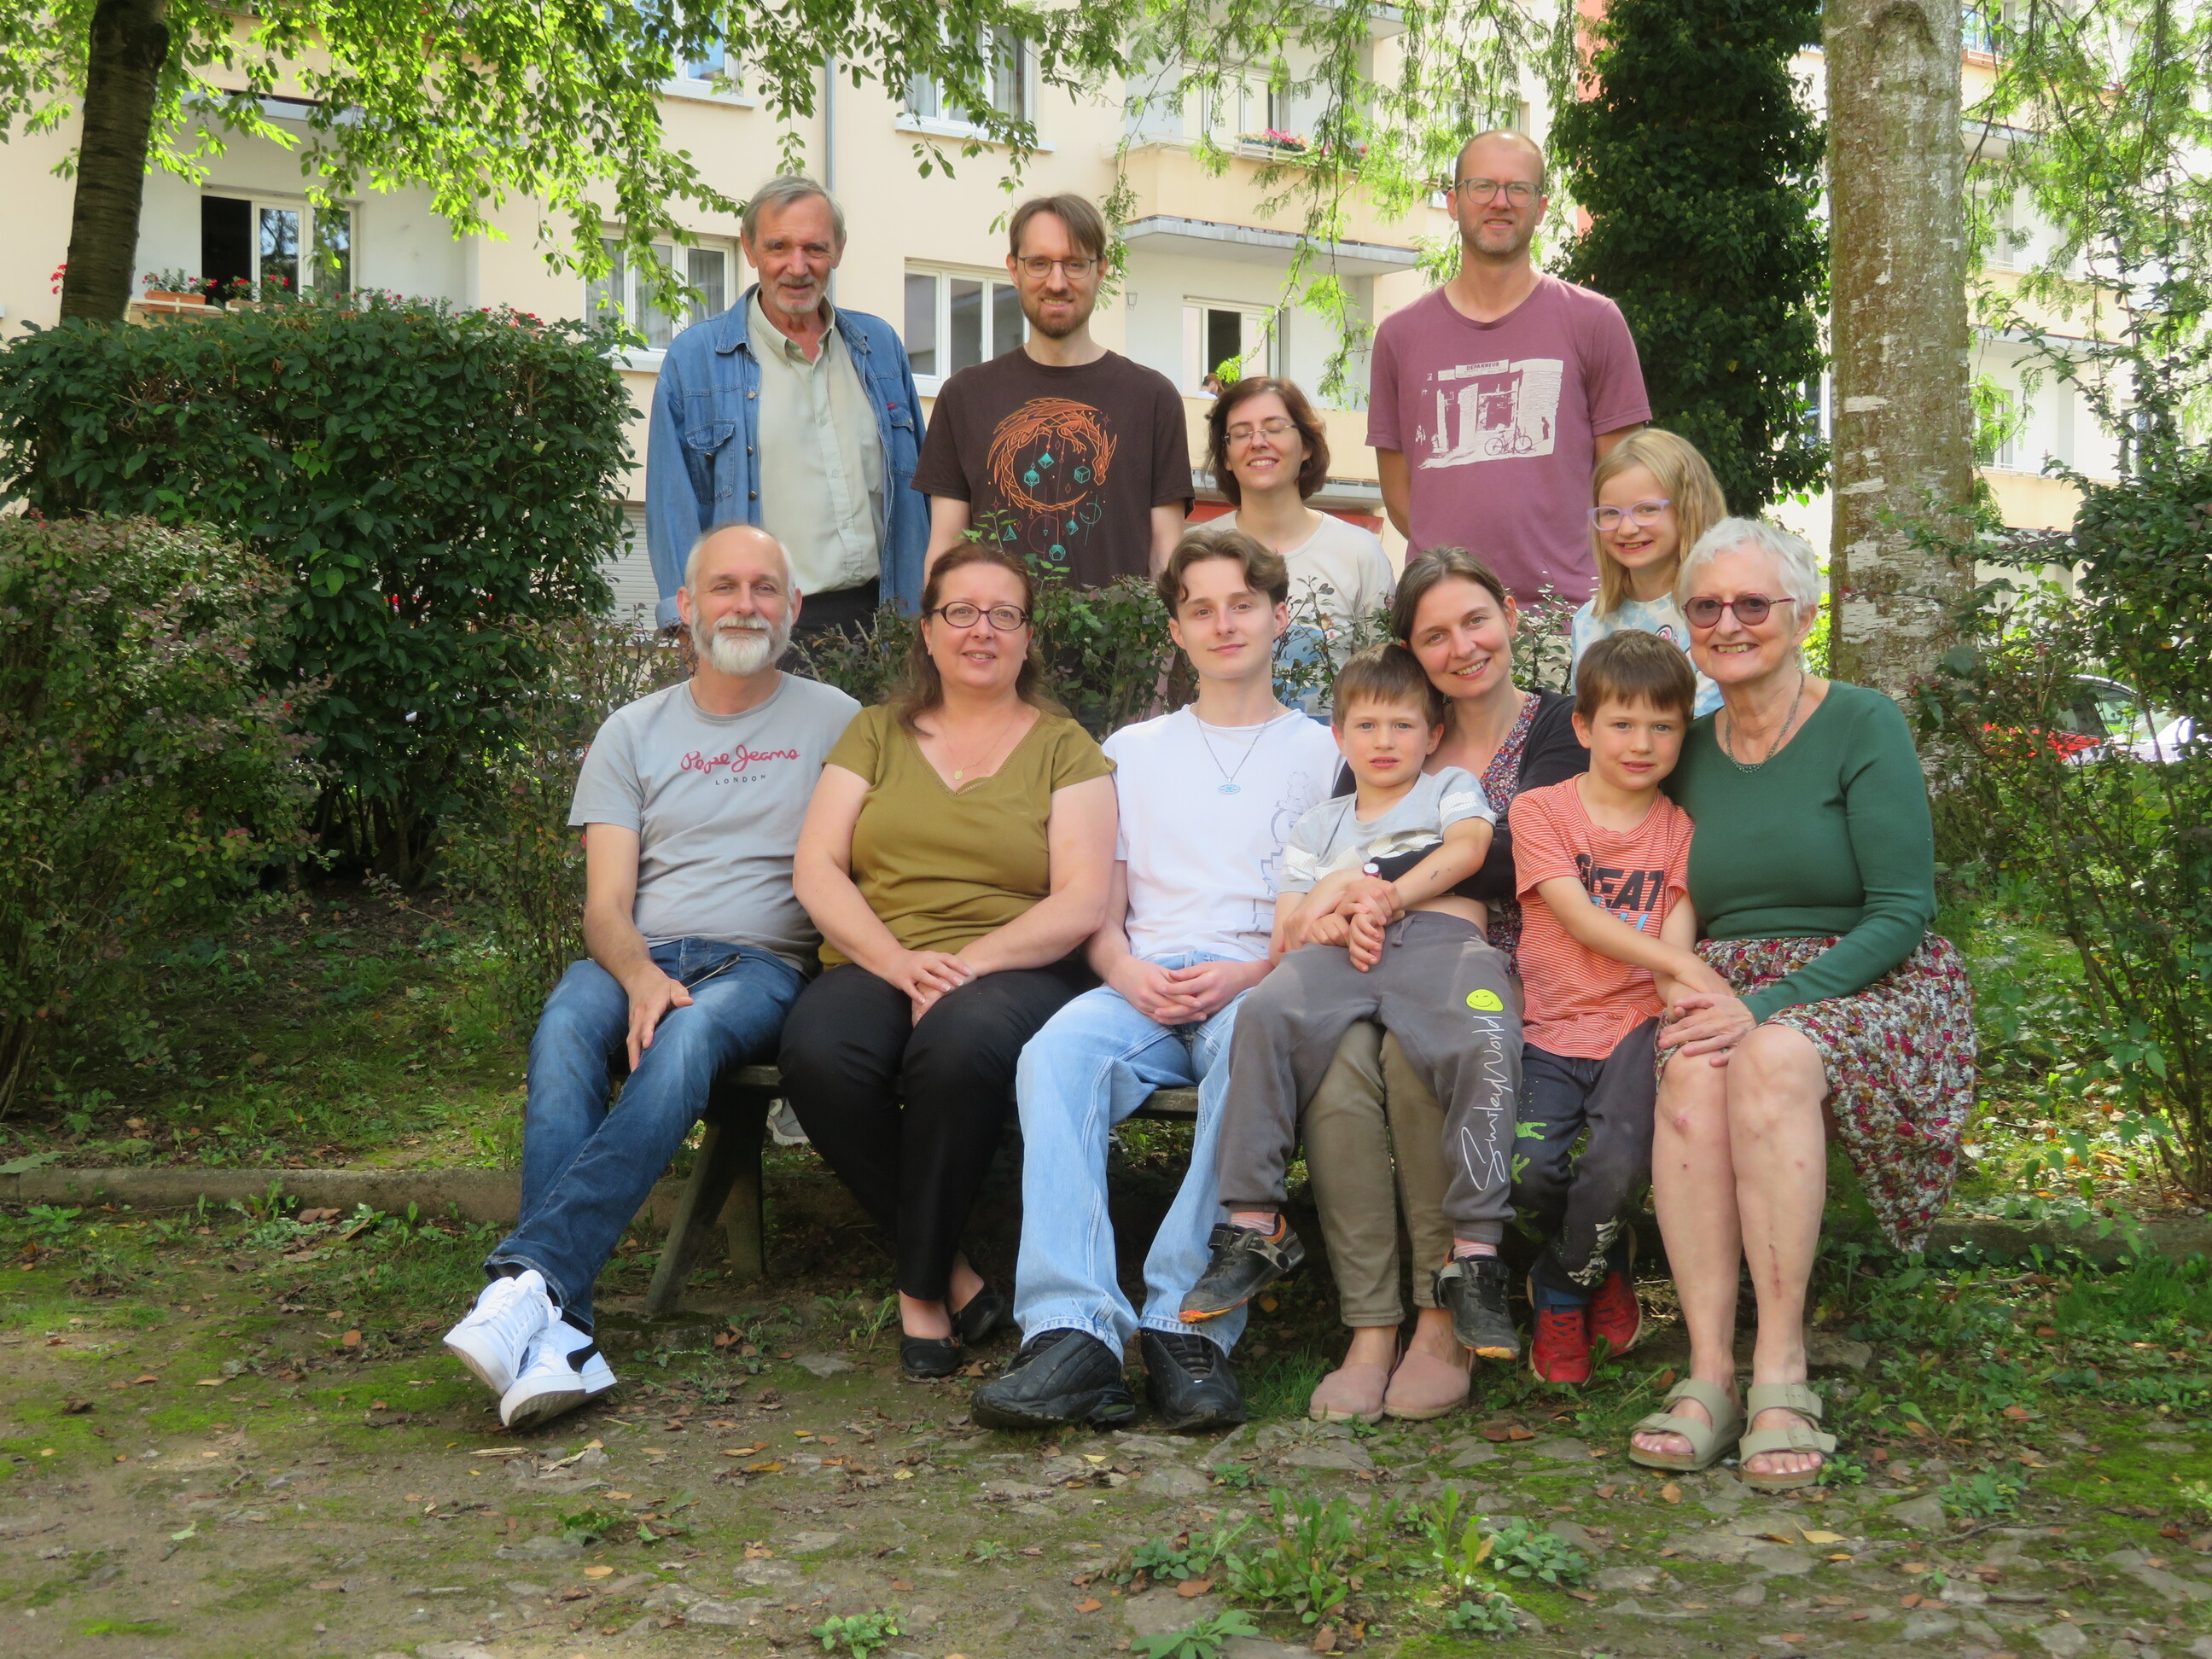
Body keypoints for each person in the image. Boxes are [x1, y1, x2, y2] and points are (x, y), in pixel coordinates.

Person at [445, 526, 859, 1429]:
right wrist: (638, 975)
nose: (743, 604)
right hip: (638, 950)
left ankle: (528, 1285)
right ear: (686, 605)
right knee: (565, 1027)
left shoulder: (839, 721)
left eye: (764, 588)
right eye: (724, 586)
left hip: (759, 965)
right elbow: (604, 907)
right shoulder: (632, 731)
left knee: (692, 1034)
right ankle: (563, 1334)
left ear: (793, 607)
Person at [1625, 519, 1974, 1488]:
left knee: (1772, 1055)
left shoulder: (1862, 723)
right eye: (1707, 607)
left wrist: (1770, 1003)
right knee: (1692, 1070)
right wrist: (1687, 985)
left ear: (1805, 614)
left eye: (1753, 603)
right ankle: (1709, 1373)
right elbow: (1663, 888)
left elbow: (1902, 910)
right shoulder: (1684, 749)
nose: (1728, 623)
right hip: (1724, 977)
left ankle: (1781, 1366)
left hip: (1866, 975)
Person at [970, 532, 1341, 1433]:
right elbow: (1099, 906)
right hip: (1140, 981)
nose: (1224, 624)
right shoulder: (1131, 750)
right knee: (1054, 1055)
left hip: (1263, 981)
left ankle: (1188, 1324)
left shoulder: (1328, 751)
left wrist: (1255, 970)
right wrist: (1125, 972)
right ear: (1176, 630)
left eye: (1242, 605)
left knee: (1251, 1056)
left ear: (1280, 617)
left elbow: (1331, 906)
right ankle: (1072, 1331)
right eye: (1201, 609)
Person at [778, 544, 1118, 1378]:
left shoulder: (1066, 747)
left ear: (1028, 638)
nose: (982, 630)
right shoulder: (875, 732)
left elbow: (1081, 901)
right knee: (819, 1053)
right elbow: (816, 866)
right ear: (928, 633)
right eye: (960, 612)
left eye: (1004, 615)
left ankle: (921, 1291)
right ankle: (957, 1271)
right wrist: (899, 963)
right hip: (880, 954)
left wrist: (963, 968)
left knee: (956, 1047)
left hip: (1019, 966)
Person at [1294, 548, 1592, 1422]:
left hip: (1514, 967)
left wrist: (1370, 884)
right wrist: (1355, 898)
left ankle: (1437, 1316)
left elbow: (1519, 856)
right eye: (1434, 636)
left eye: (1475, 621)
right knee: (1340, 1065)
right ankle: (1369, 1325)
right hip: (1375, 959)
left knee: (1414, 1058)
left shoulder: (1558, 727)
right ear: (1409, 651)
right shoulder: (1394, 730)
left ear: (1509, 615)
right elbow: (1343, 843)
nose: (1462, 647)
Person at [1181, 644, 1524, 1375]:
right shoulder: (1319, 825)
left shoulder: (1449, 787)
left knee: (1484, 1034)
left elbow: (1471, 850)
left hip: (1441, 947)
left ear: (1433, 735)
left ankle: (1475, 1252)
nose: (1384, 741)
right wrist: (1340, 912)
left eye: (1403, 725)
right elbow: (1288, 931)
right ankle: (1254, 1222)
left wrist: (1383, 895)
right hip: (1342, 958)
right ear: (1338, 736)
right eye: (1366, 726)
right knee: (1264, 1012)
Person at [1509, 632, 1729, 1383]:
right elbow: (1578, 918)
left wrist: (1687, 992)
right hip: (1549, 1026)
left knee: (1619, 1161)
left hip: (1637, 1025)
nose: (1641, 743)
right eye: (1622, 723)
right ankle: (1599, 1259)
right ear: (1583, 726)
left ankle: (1561, 1289)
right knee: (1529, 1171)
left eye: (1662, 726)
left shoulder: (1683, 832)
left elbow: (1674, 940)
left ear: (1684, 731)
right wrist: (1686, 965)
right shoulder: (1540, 812)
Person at [1368, 130, 1650, 606]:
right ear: (1453, 202)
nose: (1500, 202)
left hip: (1568, 614)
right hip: (1443, 615)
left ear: (1541, 208)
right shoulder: (1399, 336)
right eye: (1482, 186)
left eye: (1518, 189)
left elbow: (1625, 482)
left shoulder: (1594, 321)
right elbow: (1400, 497)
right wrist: (1464, 588)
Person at [645, 175, 929, 633]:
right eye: (778, 247)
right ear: (749, 248)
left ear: (838, 251)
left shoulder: (879, 347)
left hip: (889, 618)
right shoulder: (695, 360)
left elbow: (922, 490)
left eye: (815, 248)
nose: (798, 267)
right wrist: (686, 627)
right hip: (760, 624)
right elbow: (671, 509)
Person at [915, 195, 1190, 585]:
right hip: (996, 625)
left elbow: (1166, 555)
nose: (1057, 283)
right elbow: (946, 549)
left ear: (1101, 270)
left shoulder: (1153, 399)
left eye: (1074, 264)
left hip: (1121, 627)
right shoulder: (964, 396)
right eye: (1039, 263)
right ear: (1014, 270)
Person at [1204, 375, 1394, 701]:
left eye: (1275, 428)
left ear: (1307, 446)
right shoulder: (1199, 551)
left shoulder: (1359, 552)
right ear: (1226, 456)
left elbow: (1385, 682)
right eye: (1241, 433)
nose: (1258, 442)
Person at [1569, 428, 1728, 717]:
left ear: (1688, 509)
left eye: (1647, 509)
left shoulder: (1722, 614)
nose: (1627, 528)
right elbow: (1585, 724)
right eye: (1610, 513)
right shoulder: (1589, 621)